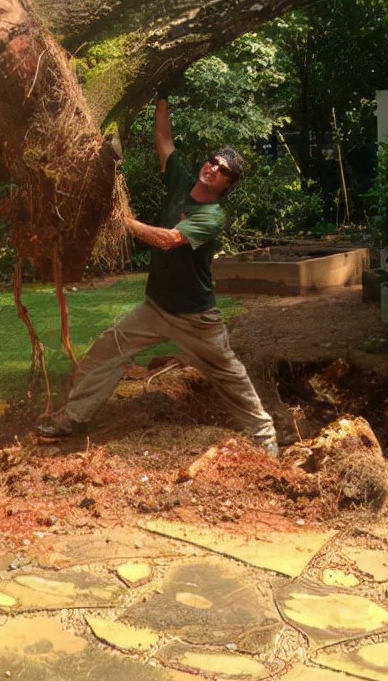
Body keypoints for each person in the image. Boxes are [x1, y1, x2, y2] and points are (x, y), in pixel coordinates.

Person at [37, 91, 279, 455]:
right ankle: (73, 419)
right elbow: (164, 141)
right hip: (155, 308)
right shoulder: (182, 181)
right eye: (213, 162)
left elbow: (168, 241)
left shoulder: (213, 216)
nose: (213, 168)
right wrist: (163, 99)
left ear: (228, 186)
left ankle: (266, 440)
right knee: (106, 349)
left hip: (195, 318)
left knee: (230, 377)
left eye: (223, 171)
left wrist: (122, 220)